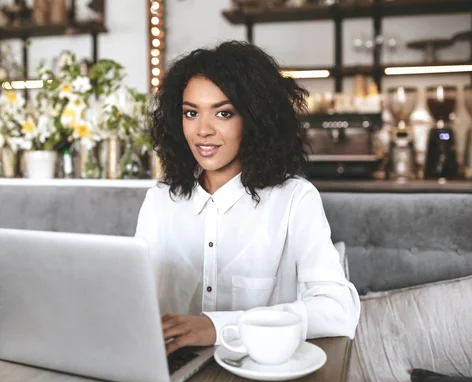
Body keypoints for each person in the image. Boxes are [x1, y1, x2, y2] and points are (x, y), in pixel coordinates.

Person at [135, 41, 360, 355]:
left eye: (223, 113)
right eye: (191, 113)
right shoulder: (159, 201)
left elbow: (338, 312)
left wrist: (217, 326)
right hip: (169, 369)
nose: (203, 130)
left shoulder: (295, 199)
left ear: (255, 119)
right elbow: (134, 302)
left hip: (260, 373)